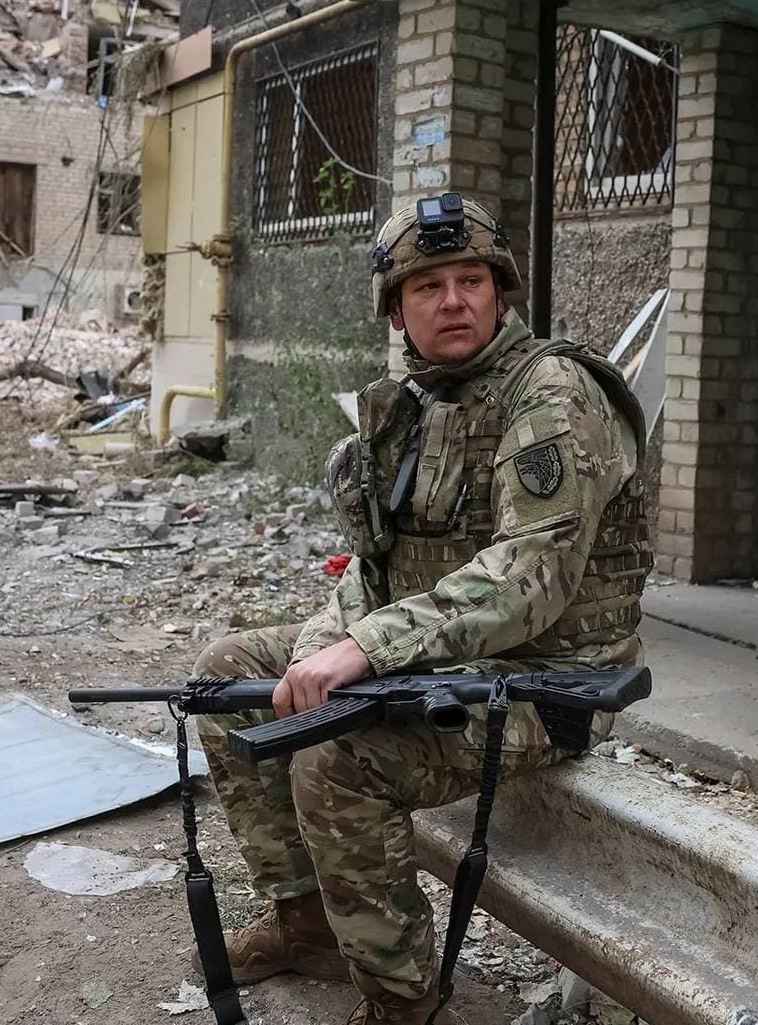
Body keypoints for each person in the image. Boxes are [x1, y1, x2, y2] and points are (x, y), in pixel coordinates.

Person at [192, 192, 651, 1024]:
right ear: (397, 308)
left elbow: (527, 579)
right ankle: (308, 923)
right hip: (441, 658)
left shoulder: (552, 394)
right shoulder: (413, 404)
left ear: (499, 291)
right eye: (428, 285)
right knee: (227, 674)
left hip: (549, 685)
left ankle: (405, 1001)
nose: (452, 300)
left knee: (337, 756)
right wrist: (328, 646)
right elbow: (372, 570)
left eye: (470, 279)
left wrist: (362, 650)